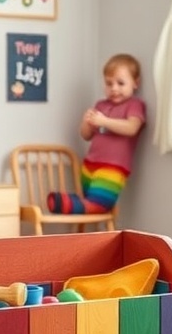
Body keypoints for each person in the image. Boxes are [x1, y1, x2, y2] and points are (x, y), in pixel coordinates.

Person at [47, 53, 146, 215]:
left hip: (113, 167)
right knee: (88, 202)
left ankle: (66, 203)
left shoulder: (134, 105)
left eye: (120, 83)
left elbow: (132, 128)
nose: (114, 88)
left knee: (99, 205)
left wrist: (104, 121)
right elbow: (86, 135)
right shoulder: (101, 105)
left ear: (135, 83)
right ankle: (71, 203)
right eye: (109, 83)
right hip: (89, 164)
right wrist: (87, 122)